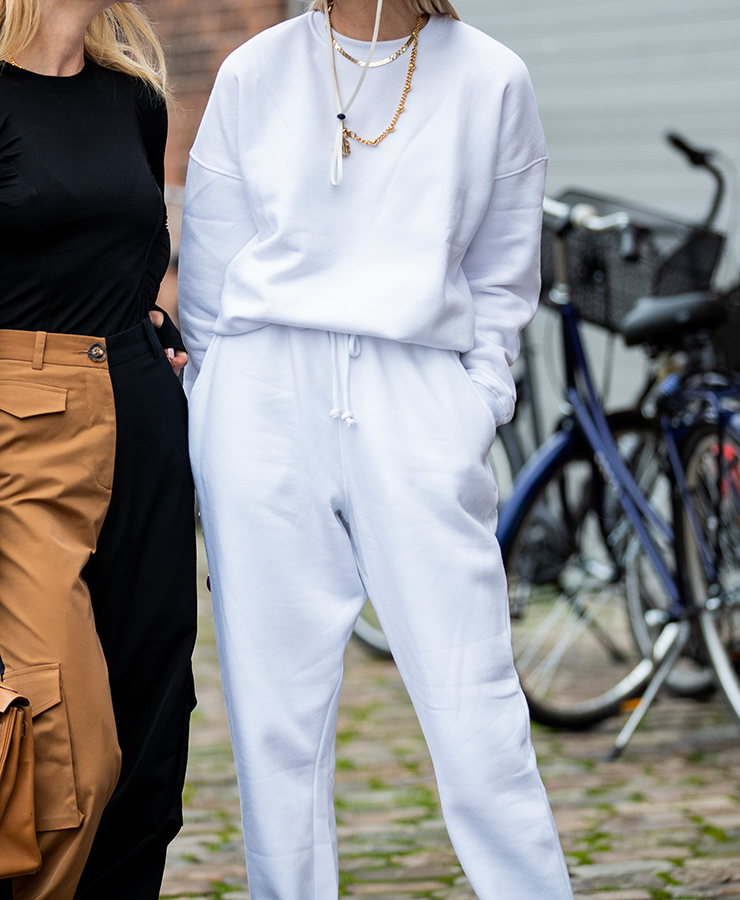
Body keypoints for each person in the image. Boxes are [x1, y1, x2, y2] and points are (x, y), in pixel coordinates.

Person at [178, 0, 575, 897]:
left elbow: (504, 274)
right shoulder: (256, 69)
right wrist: (219, 401)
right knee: (275, 721)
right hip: (263, 393)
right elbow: (208, 267)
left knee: (474, 701)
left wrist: (474, 401)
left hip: (416, 393)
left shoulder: (491, 76)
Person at [0, 0, 197, 898]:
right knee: (65, 752)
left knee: (152, 731)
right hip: (25, 430)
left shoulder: (135, 99)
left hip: (143, 412)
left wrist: (151, 328)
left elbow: (140, 257)